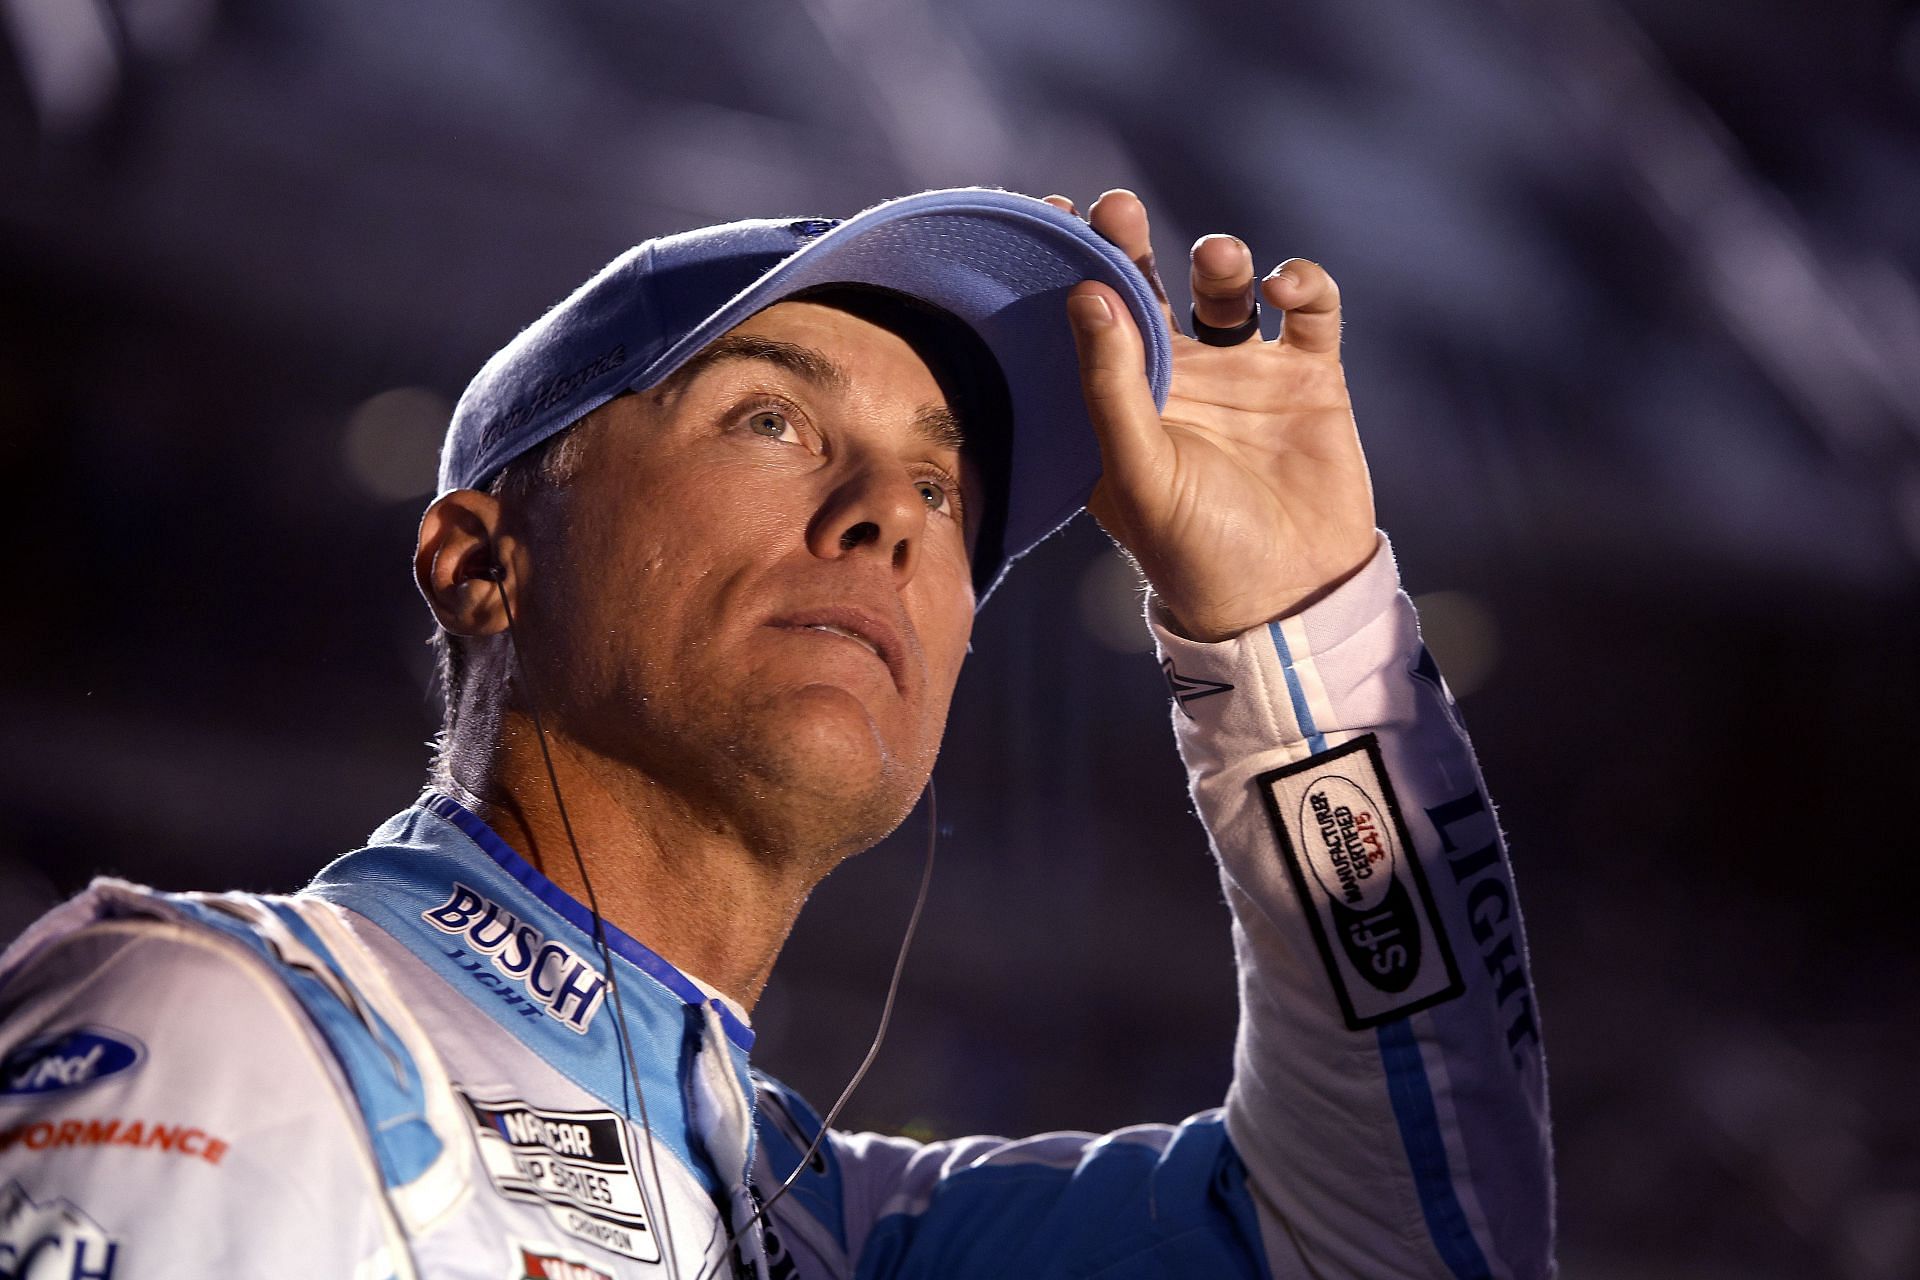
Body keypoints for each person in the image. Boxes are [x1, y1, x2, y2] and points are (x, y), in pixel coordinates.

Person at [0, 187, 1552, 1279]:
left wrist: (1298, 639)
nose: (889, 513)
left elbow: (1409, 1245)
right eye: (772, 419)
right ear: (483, 562)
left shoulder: (823, 1235)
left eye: (944, 489)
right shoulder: (233, 1039)